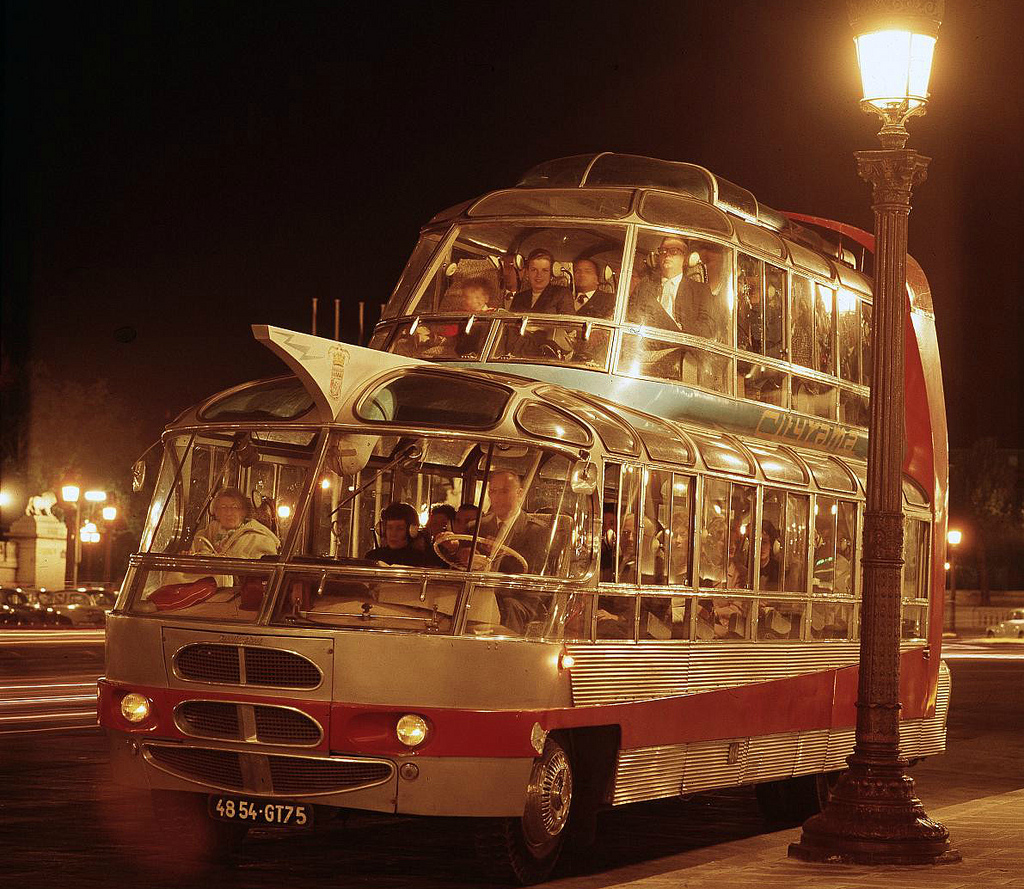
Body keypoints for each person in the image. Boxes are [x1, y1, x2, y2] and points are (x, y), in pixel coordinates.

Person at [627, 235, 723, 341]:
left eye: (674, 251)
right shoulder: (644, 286)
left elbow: (708, 328)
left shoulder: (700, 290)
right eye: (663, 251)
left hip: (681, 351)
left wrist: (680, 332)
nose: (667, 254)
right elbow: (629, 315)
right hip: (644, 347)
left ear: (685, 259)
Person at [477, 469, 547, 574]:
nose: (497, 497)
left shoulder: (537, 531)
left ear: (519, 494)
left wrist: (504, 552)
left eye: (504, 491)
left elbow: (537, 571)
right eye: (493, 491)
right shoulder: (477, 527)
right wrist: (455, 550)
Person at [193, 487, 280, 560]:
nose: (229, 512)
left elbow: (264, 572)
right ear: (216, 512)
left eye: (234, 507)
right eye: (223, 507)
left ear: (243, 512)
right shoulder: (204, 535)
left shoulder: (259, 538)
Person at [365, 502, 432, 567]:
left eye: (400, 529)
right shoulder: (372, 558)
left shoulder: (422, 560)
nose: (393, 534)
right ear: (383, 530)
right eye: (389, 528)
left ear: (411, 531)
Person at [510, 249, 574, 314]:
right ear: (527, 272)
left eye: (544, 270)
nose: (539, 275)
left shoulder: (562, 294)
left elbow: (569, 323)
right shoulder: (519, 298)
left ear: (551, 273)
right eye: (534, 270)